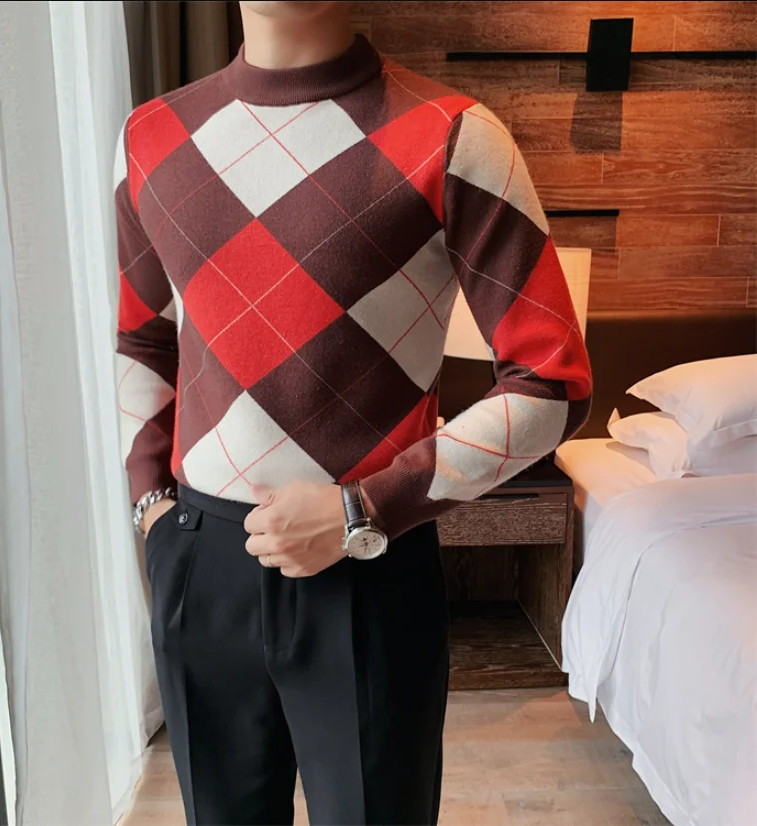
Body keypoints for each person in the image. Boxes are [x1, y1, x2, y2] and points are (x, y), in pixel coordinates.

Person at [114, 2, 592, 823]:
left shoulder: (455, 136)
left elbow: (555, 383)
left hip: (370, 567)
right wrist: (152, 508)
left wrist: (364, 508)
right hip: (200, 564)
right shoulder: (150, 136)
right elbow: (142, 341)